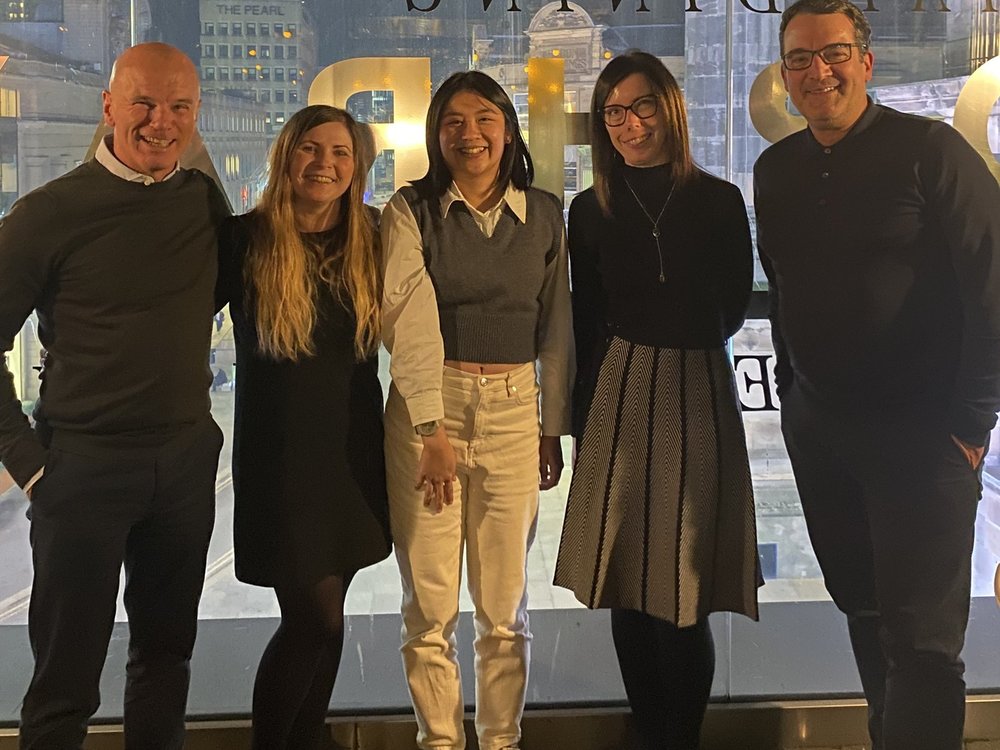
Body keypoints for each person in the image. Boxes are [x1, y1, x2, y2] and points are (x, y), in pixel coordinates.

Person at [753, 1, 1000, 748]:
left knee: (924, 644)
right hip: (824, 432)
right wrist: (796, 402)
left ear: (865, 61)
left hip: (924, 439)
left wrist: (971, 422)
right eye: (800, 58)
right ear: (786, 76)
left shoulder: (931, 153)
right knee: (863, 612)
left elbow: (991, 287)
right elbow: (783, 285)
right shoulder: (775, 170)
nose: (816, 71)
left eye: (832, 54)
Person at [0, 43, 230, 748]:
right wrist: (30, 464)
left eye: (179, 108)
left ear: (195, 118)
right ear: (108, 108)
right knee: (65, 685)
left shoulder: (202, 204)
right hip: (82, 472)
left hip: (184, 469)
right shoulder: (47, 214)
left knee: (166, 662)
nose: (162, 123)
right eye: (144, 104)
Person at [552, 51, 760, 750]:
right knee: (626, 582)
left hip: (697, 392)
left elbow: (731, 309)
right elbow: (586, 322)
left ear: (668, 108)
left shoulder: (719, 198)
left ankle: (681, 739)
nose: (630, 123)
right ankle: (649, 732)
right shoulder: (589, 209)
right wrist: (580, 421)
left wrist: (674, 343)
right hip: (617, 393)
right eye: (614, 112)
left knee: (683, 589)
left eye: (641, 106)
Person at [380, 70, 574, 750]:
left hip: (516, 411)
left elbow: (556, 327)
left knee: (504, 611)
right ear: (436, 135)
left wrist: (551, 427)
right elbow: (405, 319)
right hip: (430, 410)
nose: (470, 134)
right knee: (429, 607)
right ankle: (439, 741)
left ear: (509, 128)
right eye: (454, 122)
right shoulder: (411, 210)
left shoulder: (546, 213)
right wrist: (431, 426)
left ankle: (500, 742)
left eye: (484, 118)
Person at [216, 105, 391, 749]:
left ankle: (307, 741)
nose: (325, 164)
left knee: (332, 621)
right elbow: (170, 313)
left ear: (358, 165)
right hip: (280, 462)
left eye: (341, 152)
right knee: (311, 619)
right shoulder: (244, 240)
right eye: (311, 149)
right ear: (286, 156)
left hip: (353, 456)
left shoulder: (374, 236)